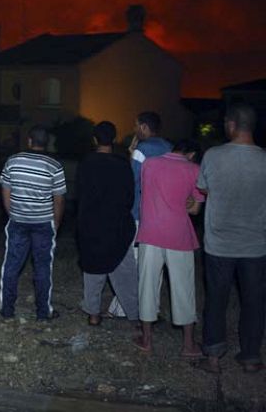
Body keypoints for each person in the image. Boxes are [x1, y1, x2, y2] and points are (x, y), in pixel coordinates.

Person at [197, 104, 266, 374]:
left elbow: (203, 187)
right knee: (254, 301)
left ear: (232, 125)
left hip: (219, 245)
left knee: (216, 299)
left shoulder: (213, 156)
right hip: (256, 245)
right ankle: (250, 357)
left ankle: (213, 357)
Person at [133, 140, 204, 357]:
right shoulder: (194, 169)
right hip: (179, 235)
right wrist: (188, 201)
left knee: (147, 285)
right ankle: (188, 345)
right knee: (183, 288)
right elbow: (194, 210)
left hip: (150, 232)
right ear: (190, 153)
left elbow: (143, 190)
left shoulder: (150, 164)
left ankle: (146, 340)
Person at [107, 111, 172, 318]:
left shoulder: (143, 149)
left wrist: (131, 154)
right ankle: (152, 307)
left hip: (138, 212)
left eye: (136, 126)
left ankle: (125, 308)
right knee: (155, 263)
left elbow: (131, 180)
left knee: (132, 260)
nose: (135, 130)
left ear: (144, 127)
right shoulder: (169, 147)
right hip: (162, 213)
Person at [0, 126, 66, 321]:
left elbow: (5, 190)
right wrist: (56, 223)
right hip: (44, 223)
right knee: (43, 267)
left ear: (29, 141)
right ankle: (43, 314)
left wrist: (12, 212)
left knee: (11, 265)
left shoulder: (13, 161)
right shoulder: (54, 165)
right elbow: (59, 199)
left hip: (18, 221)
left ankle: (7, 311)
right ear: (47, 143)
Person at [76, 122, 138, 327]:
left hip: (92, 223)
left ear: (94, 140)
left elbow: (81, 194)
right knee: (124, 270)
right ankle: (136, 314)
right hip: (117, 223)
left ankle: (93, 314)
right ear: (113, 139)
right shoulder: (122, 164)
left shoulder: (86, 163)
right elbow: (130, 196)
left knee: (93, 269)